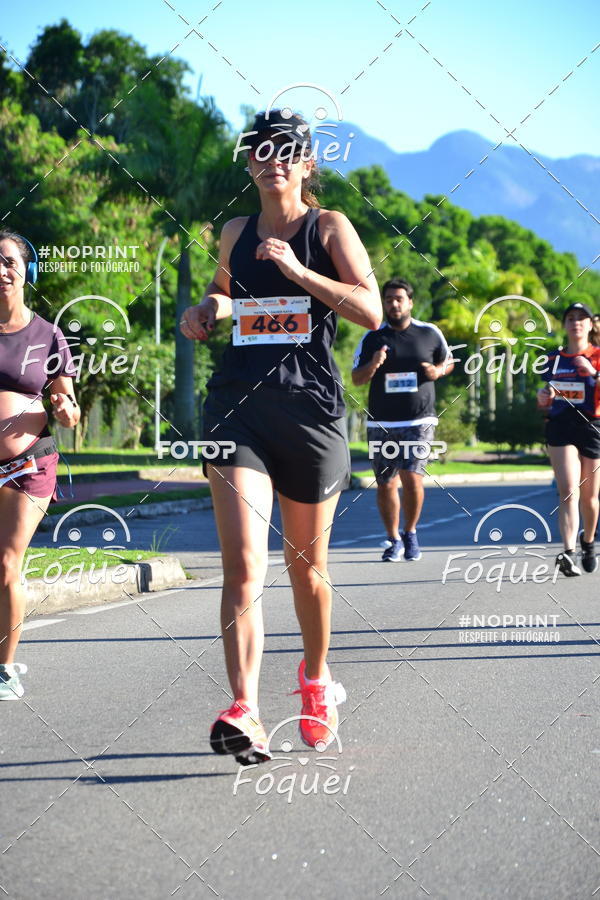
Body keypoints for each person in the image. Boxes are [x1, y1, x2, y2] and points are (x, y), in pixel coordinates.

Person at [181, 111, 381, 764]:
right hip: (236, 410)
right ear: (248, 164)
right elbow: (226, 291)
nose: (273, 161)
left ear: (306, 164)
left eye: (286, 151)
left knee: (306, 569)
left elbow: (370, 309)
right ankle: (245, 709)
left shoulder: (329, 228)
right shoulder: (235, 232)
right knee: (243, 566)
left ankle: (316, 679)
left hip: (311, 414)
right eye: (261, 151)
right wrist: (207, 309)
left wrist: (298, 272)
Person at [0, 231, 79, 700]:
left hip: (27, 465)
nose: (0, 270)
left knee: (7, 561)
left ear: (26, 272)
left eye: (8, 261)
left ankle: (5, 670)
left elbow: (68, 403)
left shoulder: (47, 334)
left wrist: (66, 410)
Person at [352, 279, 453, 562]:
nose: (394, 304)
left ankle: (410, 532)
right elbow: (356, 379)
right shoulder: (372, 337)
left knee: (412, 477)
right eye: (388, 300)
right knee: (386, 483)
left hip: (419, 421)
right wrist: (373, 364)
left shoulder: (429, 333)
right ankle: (393, 539)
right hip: (382, 423)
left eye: (399, 299)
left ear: (410, 302)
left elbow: (449, 361)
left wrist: (437, 371)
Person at [538, 301, 600, 576]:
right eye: (571, 318)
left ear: (590, 324)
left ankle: (588, 542)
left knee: (590, 498)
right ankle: (568, 552)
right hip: (561, 426)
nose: (576, 322)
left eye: (581, 318)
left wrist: (594, 373)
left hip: (592, 427)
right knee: (568, 491)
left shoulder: (598, 355)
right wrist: (543, 398)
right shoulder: (553, 359)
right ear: (564, 325)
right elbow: (548, 394)